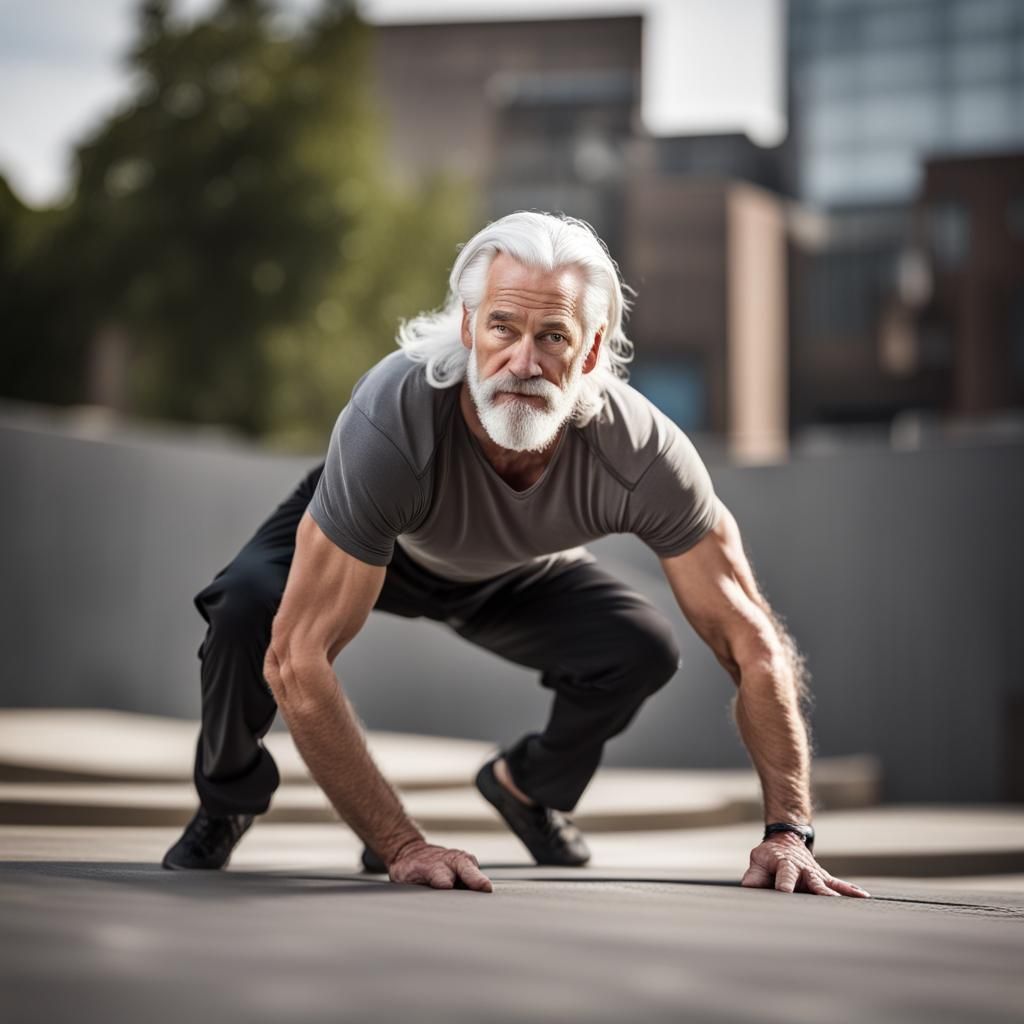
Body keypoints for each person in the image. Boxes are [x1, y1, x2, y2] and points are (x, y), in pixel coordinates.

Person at [163, 211, 869, 899]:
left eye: (553, 336)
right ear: (469, 326)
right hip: (376, 537)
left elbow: (753, 642)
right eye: (502, 326)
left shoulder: (642, 454)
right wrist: (400, 843)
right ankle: (227, 800)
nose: (523, 362)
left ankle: (527, 787)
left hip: (511, 570)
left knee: (640, 646)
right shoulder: (393, 421)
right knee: (248, 611)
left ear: (590, 352)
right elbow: (296, 661)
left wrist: (790, 832)